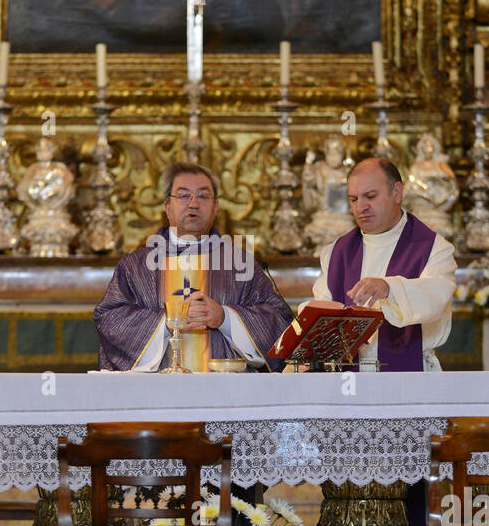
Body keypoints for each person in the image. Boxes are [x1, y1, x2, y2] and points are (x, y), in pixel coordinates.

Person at [94, 162, 292, 372]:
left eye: (203, 196)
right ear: (167, 206)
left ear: (216, 207)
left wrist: (225, 318)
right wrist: (168, 322)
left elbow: (279, 321)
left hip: (227, 393)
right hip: (157, 393)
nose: (193, 204)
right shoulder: (135, 266)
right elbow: (109, 319)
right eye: (183, 195)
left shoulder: (240, 263)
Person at [309, 157, 457, 371]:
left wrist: (390, 289)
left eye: (370, 196)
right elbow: (322, 311)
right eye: (353, 199)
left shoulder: (433, 248)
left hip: (410, 378)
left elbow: (435, 298)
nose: (361, 207)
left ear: (397, 192)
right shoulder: (336, 253)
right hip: (347, 381)